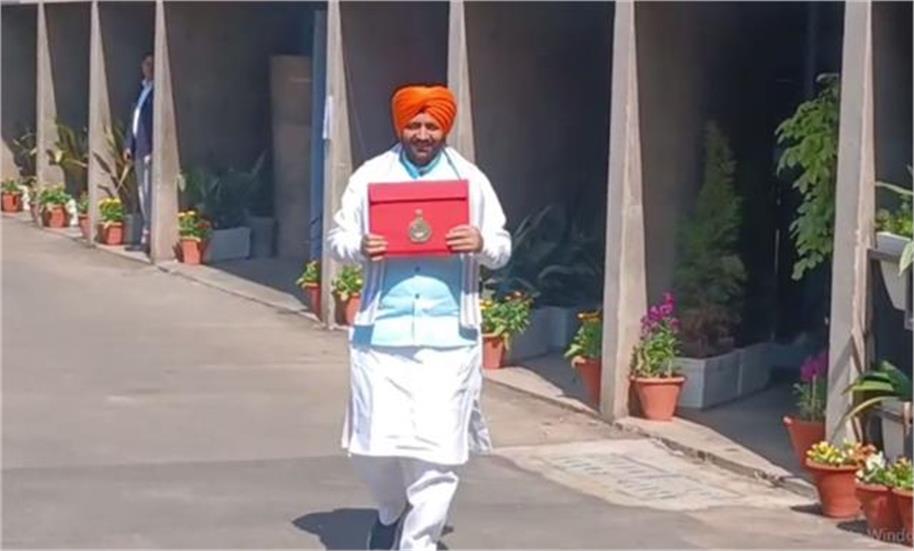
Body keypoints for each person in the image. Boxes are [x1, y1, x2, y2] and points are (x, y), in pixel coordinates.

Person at [327, 84, 511, 550]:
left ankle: (418, 542)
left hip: (449, 339)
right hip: (381, 337)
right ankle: (391, 510)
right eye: (414, 125)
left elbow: (502, 246)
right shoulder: (372, 176)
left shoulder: (471, 181)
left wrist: (481, 243)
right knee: (372, 448)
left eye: (431, 126)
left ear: (444, 128)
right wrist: (359, 246)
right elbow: (336, 240)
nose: (423, 134)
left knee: (438, 454)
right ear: (400, 127)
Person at [124, 52, 154, 252]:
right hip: (138, 149)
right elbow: (134, 119)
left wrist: (153, 149)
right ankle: (146, 232)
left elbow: (155, 123)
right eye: (145, 64)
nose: (147, 68)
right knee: (143, 193)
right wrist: (128, 144)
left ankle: (149, 236)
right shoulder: (142, 90)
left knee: (150, 193)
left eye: (151, 65)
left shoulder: (156, 92)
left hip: (149, 150)